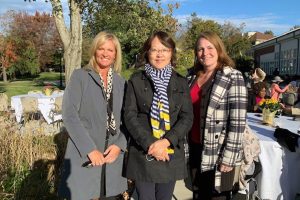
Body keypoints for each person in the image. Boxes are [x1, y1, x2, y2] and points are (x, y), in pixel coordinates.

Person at [123, 31, 193, 200]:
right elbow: (129, 116)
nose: (159, 54)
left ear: (171, 53)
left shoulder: (181, 81)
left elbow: (187, 117)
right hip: (144, 152)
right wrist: (152, 145)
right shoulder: (136, 80)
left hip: (170, 152)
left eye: (165, 50)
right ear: (147, 52)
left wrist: (165, 142)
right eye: (154, 50)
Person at [58, 31, 127, 200]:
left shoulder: (120, 83)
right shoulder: (80, 77)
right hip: (85, 153)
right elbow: (69, 115)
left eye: (110, 50)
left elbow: (128, 119)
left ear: (116, 54)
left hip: (112, 157)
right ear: (94, 51)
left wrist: (120, 145)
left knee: (110, 195)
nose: (105, 53)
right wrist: (90, 149)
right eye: (101, 48)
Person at [186, 31, 247, 200]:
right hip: (194, 148)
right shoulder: (191, 77)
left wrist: (229, 157)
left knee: (217, 196)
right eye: (200, 49)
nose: (205, 53)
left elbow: (238, 121)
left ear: (219, 49)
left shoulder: (233, 76)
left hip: (218, 152)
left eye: (209, 47)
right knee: (198, 194)